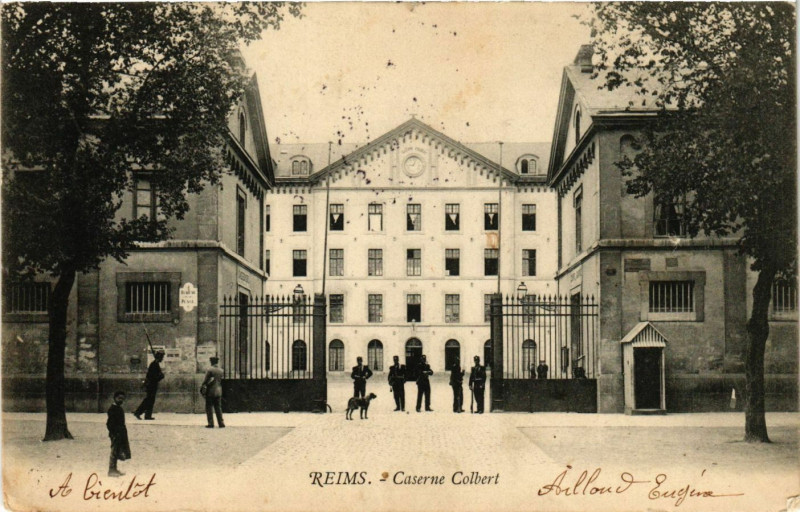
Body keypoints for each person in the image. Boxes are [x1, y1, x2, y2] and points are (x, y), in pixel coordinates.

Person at [134, 350, 165, 420]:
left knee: (150, 400)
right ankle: (138, 412)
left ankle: (147, 415)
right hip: (151, 385)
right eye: (161, 357)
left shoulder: (155, 364)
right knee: (149, 400)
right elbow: (152, 377)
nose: (162, 359)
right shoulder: (154, 365)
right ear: (159, 357)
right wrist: (161, 376)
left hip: (152, 385)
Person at [107, 391, 131, 477]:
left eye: (122, 399)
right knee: (114, 451)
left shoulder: (119, 408)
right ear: (115, 398)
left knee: (117, 451)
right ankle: (111, 470)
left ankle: (115, 469)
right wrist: (114, 432)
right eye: (119, 398)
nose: (121, 400)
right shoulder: (112, 409)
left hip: (120, 433)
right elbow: (109, 423)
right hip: (116, 433)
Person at [202, 356, 225, 428]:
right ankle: (221, 423)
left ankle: (211, 423)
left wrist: (203, 386)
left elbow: (206, 380)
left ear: (211, 362)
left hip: (210, 391)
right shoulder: (221, 370)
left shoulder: (210, 370)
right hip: (218, 391)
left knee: (209, 407)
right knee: (218, 407)